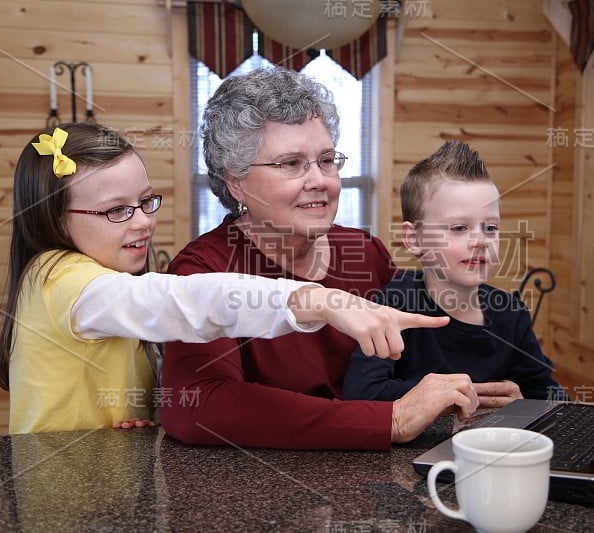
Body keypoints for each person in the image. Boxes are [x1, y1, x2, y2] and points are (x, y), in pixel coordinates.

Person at [0, 122, 448, 435]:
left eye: (146, 201)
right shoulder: (59, 280)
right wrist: (318, 300)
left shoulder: (102, 279)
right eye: (116, 210)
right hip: (55, 494)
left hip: (106, 482)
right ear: (52, 218)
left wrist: (146, 414)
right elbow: (189, 302)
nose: (142, 223)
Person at [160, 67, 482, 450]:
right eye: (291, 164)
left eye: (327, 160)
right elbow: (197, 406)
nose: (320, 181)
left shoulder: (365, 251)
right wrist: (387, 422)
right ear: (236, 182)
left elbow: (414, 366)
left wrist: (478, 389)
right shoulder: (203, 268)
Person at [343, 141, 566, 403]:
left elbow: (552, 399)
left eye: (490, 228)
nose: (480, 241)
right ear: (414, 239)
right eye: (459, 228)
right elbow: (362, 393)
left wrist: (525, 403)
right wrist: (455, 395)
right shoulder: (394, 306)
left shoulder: (511, 313)